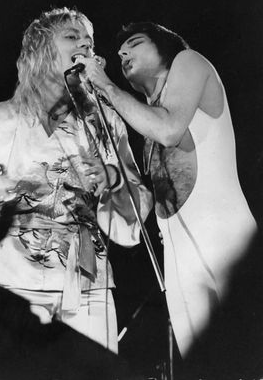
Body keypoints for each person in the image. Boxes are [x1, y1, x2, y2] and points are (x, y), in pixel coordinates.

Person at [0, 8, 152, 355]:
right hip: (13, 290)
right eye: (72, 37)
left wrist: (113, 178)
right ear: (40, 50)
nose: (84, 45)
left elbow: (134, 218)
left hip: (88, 292)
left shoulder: (105, 122)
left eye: (89, 41)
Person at [76, 21, 258, 357]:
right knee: (203, 362)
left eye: (134, 42)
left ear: (165, 47)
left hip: (224, 235)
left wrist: (107, 86)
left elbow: (171, 130)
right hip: (177, 250)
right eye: (119, 51)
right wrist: (112, 177)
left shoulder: (188, 61)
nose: (121, 53)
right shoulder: (148, 119)